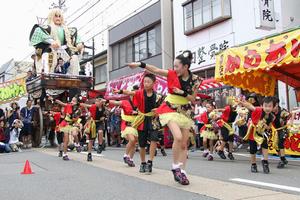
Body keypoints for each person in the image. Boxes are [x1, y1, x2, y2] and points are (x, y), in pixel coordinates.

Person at [127, 50, 201, 185]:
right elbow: (155, 70)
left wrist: (183, 92)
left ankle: (182, 172)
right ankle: (175, 166)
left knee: (184, 144)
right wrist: (139, 64)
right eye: (174, 66)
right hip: (170, 107)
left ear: (185, 67)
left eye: (177, 66)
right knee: (177, 137)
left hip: (185, 110)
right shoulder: (171, 74)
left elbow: (193, 99)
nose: (174, 69)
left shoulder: (195, 80)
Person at [114, 74, 164, 175]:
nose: (146, 84)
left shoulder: (158, 96)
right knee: (142, 144)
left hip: (153, 119)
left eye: (148, 82)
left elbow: (163, 106)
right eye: (144, 82)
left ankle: (150, 162)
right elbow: (130, 92)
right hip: (142, 119)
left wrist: (158, 110)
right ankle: (143, 163)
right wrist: (120, 91)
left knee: (154, 139)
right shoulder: (140, 93)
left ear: (154, 83)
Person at [29, 8, 83, 74]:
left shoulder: (68, 30)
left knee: (74, 58)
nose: (58, 18)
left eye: (59, 16)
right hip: (49, 51)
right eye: (56, 16)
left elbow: (77, 38)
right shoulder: (46, 28)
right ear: (51, 17)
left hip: (64, 52)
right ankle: (48, 75)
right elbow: (38, 32)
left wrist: (79, 44)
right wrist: (51, 41)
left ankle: (73, 77)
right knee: (50, 54)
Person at [241, 97, 275, 174]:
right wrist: (244, 103)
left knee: (265, 146)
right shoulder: (259, 110)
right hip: (253, 131)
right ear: (262, 106)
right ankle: (253, 165)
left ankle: (265, 163)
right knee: (253, 149)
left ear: (272, 107)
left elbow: (269, 126)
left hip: (262, 132)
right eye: (266, 106)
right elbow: (251, 107)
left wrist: (266, 126)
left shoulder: (272, 116)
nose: (267, 108)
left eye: (270, 106)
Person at [272, 97, 290, 168]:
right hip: (277, 130)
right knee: (276, 146)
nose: (271, 107)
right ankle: (283, 159)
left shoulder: (283, 111)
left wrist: (288, 120)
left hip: (283, 130)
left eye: (272, 106)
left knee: (280, 144)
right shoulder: (271, 112)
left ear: (276, 104)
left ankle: (282, 160)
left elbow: (290, 116)